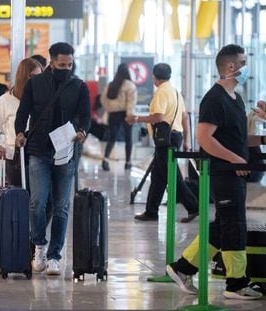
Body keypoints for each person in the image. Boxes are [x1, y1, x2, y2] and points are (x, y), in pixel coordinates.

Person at [166, 44, 263, 300]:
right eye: (243, 62)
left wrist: (259, 141)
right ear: (230, 67)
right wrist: (234, 161)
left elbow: (240, 138)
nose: (245, 67)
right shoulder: (214, 98)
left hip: (235, 171)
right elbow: (204, 139)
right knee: (234, 225)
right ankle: (236, 283)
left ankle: (183, 268)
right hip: (224, 172)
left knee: (223, 225)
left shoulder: (236, 98)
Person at [15, 42, 91, 275]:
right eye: (61, 64)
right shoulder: (35, 84)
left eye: (69, 64)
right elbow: (23, 112)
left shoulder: (79, 86)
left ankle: (55, 255)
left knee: (61, 206)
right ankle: (39, 245)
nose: (66, 68)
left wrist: (82, 132)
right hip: (39, 149)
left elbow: (85, 116)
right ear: (51, 62)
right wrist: (19, 133)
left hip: (66, 151)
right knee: (37, 203)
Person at [127, 63, 199, 223]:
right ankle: (151, 211)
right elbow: (185, 117)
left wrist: (136, 119)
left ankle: (193, 207)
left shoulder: (161, 92)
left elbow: (158, 117)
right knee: (158, 177)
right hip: (175, 136)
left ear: (154, 77)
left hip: (166, 140)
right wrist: (186, 140)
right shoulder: (175, 92)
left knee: (173, 176)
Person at [0, 58, 43, 185]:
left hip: (40, 156)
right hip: (15, 159)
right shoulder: (6, 100)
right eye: (32, 76)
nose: (37, 81)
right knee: (19, 197)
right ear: (23, 78)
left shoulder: (43, 100)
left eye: (39, 76)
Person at [101, 63, 137, 171]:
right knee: (128, 138)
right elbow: (131, 102)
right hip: (125, 114)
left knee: (112, 138)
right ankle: (128, 162)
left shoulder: (111, 84)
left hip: (113, 114)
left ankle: (105, 160)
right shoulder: (130, 85)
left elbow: (103, 100)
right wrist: (129, 115)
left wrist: (109, 109)